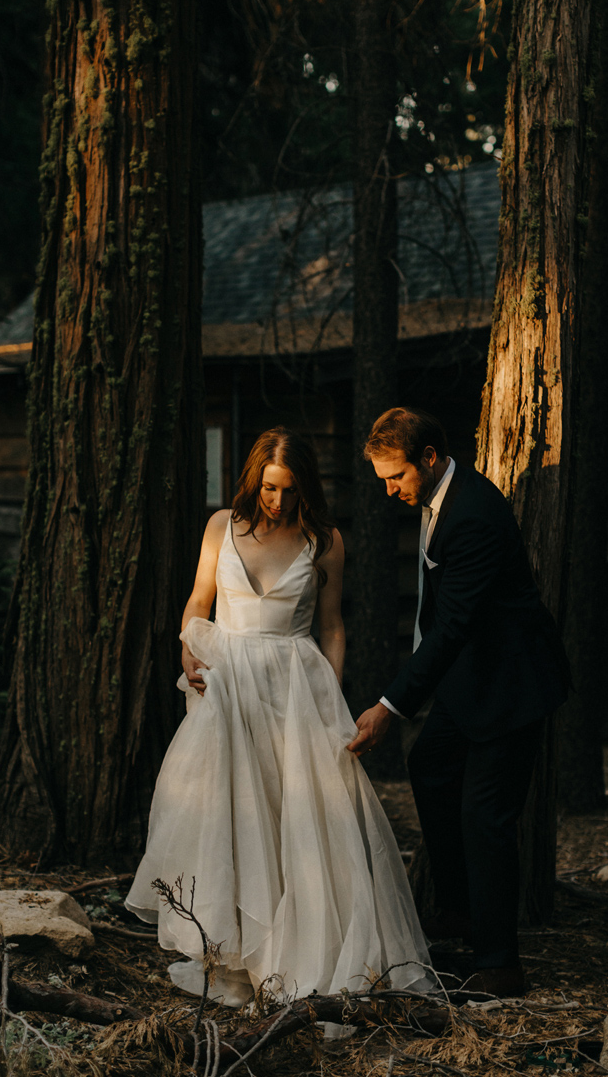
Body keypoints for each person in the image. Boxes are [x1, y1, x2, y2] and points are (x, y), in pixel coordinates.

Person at [129, 427, 432, 1011]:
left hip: (293, 689)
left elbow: (333, 628)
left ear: (304, 488)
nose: (276, 501)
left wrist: (331, 698)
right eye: (269, 487)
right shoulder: (222, 526)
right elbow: (197, 601)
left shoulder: (325, 541)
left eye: (288, 490)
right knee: (228, 816)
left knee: (290, 819)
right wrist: (188, 651)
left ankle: (292, 955)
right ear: (254, 480)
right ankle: (232, 953)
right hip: (227, 685)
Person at [348, 407, 569, 1002]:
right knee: (430, 767)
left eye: (395, 477)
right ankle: (457, 911)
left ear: (429, 456)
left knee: (485, 816)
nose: (390, 491)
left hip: (510, 684)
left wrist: (390, 706)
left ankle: (499, 965)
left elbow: (453, 627)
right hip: (468, 681)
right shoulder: (436, 500)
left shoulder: (472, 513)